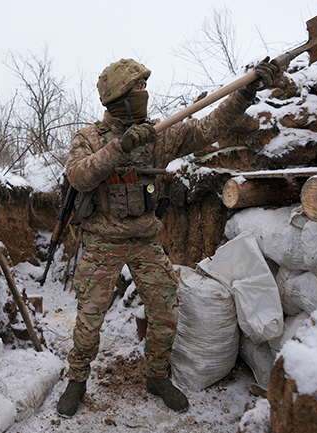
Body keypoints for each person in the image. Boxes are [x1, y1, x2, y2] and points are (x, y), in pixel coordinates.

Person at [56, 57, 280, 417]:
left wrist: (243, 95)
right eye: (137, 87)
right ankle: (77, 380)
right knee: (89, 318)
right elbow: (79, 177)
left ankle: (157, 376)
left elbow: (206, 129)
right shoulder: (89, 138)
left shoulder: (159, 134)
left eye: (145, 86)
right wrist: (119, 147)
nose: (144, 92)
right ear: (118, 97)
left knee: (166, 312)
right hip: (102, 241)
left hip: (145, 238)